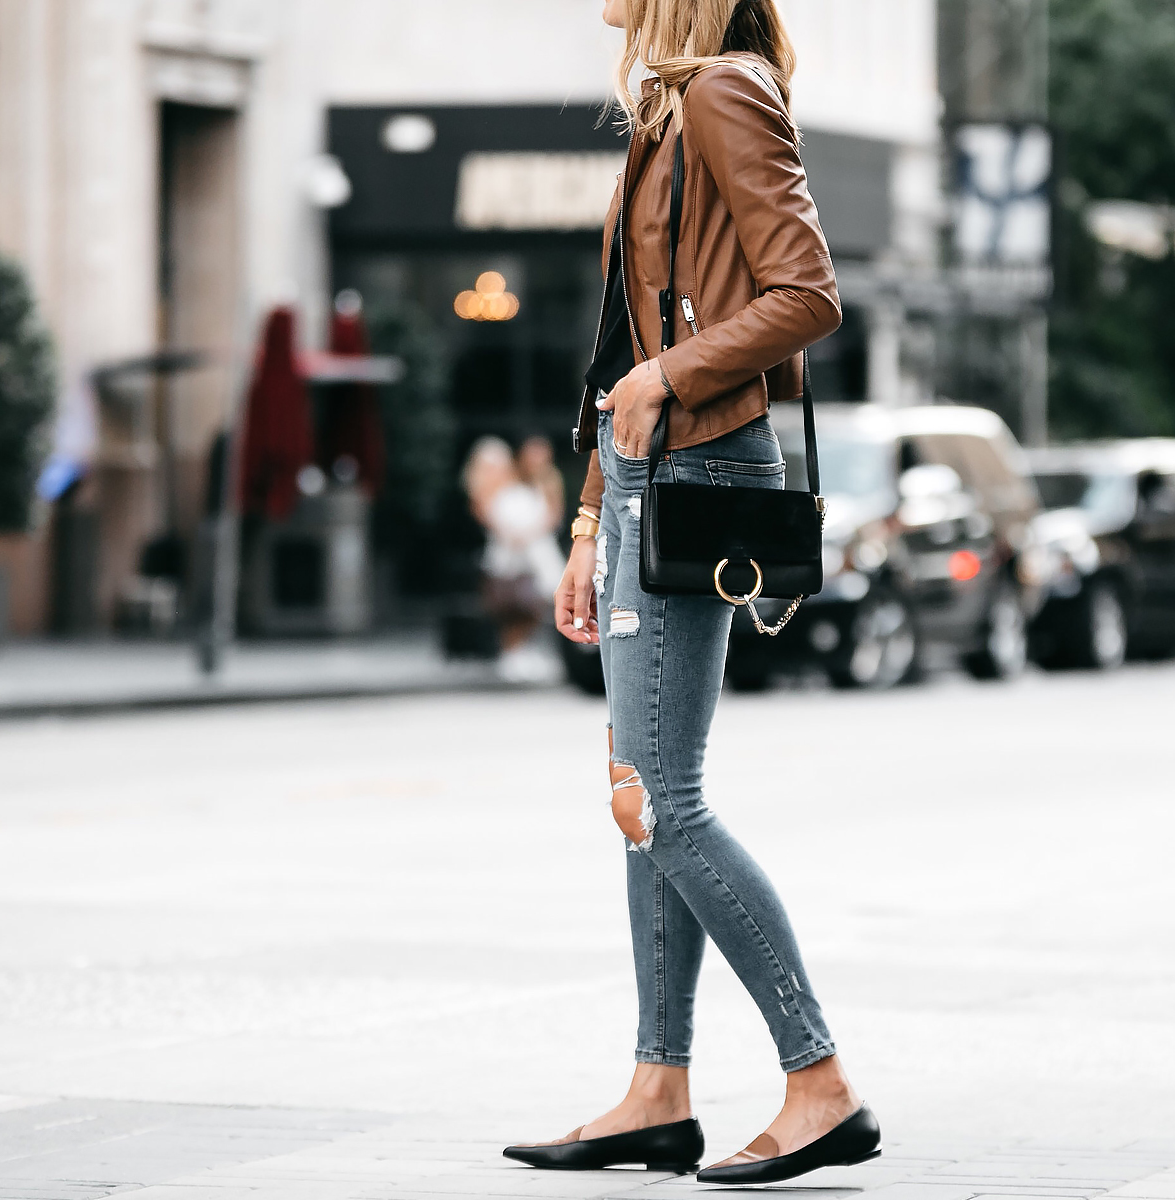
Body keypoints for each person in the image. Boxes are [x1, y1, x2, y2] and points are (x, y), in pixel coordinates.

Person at [508, 0, 878, 1185]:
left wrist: (667, 376)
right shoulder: (665, 104)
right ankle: (656, 1091)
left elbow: (807, 292)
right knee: (637, 793)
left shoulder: (724, 89)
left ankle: (819, 1083)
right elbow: (620, 342)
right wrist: (583, 517)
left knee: (665, 796)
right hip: (637, 477)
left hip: (703, 466)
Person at [463, 437, 564, 681]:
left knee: (531, 608)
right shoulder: (485, 493)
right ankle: (512, 655)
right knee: (512, 611)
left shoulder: (527, 487)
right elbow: (496, 522)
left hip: (530, 562)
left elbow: (550, 515)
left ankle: (523, 653)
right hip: (505, 564)